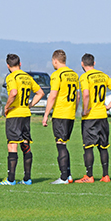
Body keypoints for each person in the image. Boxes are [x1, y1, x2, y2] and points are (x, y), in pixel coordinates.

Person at [0, 54, 44, 185]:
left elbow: (13, 93)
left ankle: (11, 179)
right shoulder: (27, 77)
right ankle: (27, 179)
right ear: (20, 64)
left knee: (12, 145)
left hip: (14, 115)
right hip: (26, 114)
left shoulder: (11, 77)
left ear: (8, 65)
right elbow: (40, 93)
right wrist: (30, 105)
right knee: (25, 144)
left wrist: (6, 107)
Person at [77, 53, 111, 183]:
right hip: (102, 116)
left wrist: (85, 110)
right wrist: (109, 106)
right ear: (94, 63)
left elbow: (86, 95)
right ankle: (105, 175)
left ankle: (89, 176)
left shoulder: (85, 77)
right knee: (103, 146)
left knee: (88, 147)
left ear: (82, 64)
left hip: (90, 117)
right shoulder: (103, 75)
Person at [42, 50, 77, 184]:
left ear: (55, 61)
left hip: (60, 114)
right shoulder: (73, 74)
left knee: (60, 144)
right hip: (70, 114)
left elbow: (53, 95)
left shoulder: (57, 75)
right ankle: (68, 175)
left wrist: (46, 115)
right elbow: (77, 95)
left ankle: (63, 177)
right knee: (64, 143)